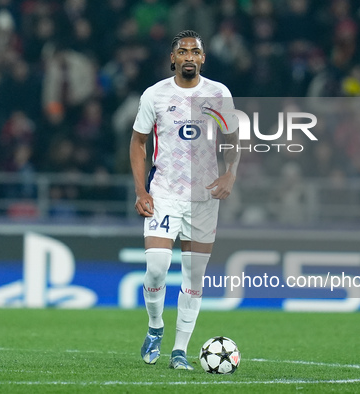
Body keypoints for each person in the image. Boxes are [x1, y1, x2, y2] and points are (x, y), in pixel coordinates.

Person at [129, 30, 240, 370]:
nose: (189, 56)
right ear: (173, 58)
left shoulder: (219, 94)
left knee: (194, 277)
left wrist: (230, 173)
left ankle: (179, 351)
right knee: (156, 269)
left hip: (204, 199)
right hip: (164, 193)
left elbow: (233, 138)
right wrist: (141, 190)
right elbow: (138, 144)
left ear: (203, 58)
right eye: (182, 51)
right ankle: (155, 326)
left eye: (195, 51)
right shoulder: (156, 95)